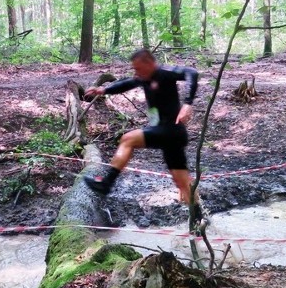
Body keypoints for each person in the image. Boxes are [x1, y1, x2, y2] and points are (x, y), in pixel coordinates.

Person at [83, 49, 200, 211]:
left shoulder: (165, 72)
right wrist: (103, 90)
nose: (136, 72)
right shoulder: (144, 77)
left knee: (128, 139)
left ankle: (106, 183)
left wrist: (188, 103)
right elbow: (126, 84)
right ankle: (199, 220)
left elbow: (192, 72)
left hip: (171, 130)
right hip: (169, 135)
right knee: (182, 182)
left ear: (149, 63)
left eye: (138, 68)